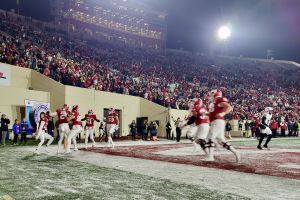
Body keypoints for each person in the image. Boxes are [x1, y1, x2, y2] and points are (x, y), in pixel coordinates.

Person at [205, 89, 240, 162]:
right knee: (221, 141)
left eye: (212, 94)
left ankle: (210, 156)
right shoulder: (214, 102)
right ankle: (236, 152)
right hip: (216, 122)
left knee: (209, 138)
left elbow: (229, 107)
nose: (210, 95)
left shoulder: (219, 99)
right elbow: (212, 113)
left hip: (217, 121)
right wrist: (205, 114)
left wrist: (223, 113)